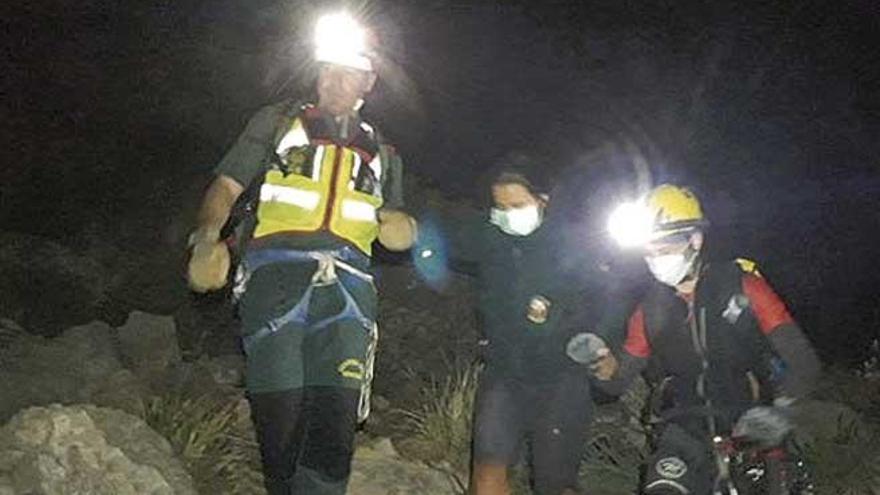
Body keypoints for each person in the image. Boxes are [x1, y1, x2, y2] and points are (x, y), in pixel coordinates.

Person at [186, 12, 416, 495]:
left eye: (348, 71)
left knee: (333, 428)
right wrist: (207, 238)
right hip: (275, 277)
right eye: (327, 68)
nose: (335, 80)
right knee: (281, 421)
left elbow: (395, 222)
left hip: (350, 291)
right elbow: (226, 187)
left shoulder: (384, 152)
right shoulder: (275, 122)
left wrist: (405, 228)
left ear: (368, 81)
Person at [587, 184, 821, 495]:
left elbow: (804, 363)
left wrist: (778, 413)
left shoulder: (743, 286)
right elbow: (616, 383)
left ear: (694, 240)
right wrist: (599, 364)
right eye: (649, 251)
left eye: (666, 248)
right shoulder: (649, 310)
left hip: (751, 428)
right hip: (681, 430)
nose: (657, 259)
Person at [415, 155, 615, 495]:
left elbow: (610, 299)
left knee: (555, 484)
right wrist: (411, 229)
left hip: (562, 380)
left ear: (543, 200)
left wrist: (606, 347)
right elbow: (442, 232)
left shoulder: (576, 244)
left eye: (517, 204)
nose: (507, 214)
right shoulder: (490, 235)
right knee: (487, 473)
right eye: (500, 206)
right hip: (505, 375)